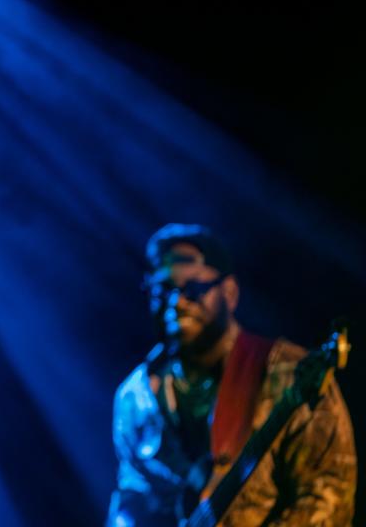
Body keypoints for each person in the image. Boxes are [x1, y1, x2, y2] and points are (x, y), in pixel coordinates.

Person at [107, 223, 356, 526]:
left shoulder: (287, 373)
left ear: (230, 292)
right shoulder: (134, 397)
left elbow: (330, 497)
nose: (177, 302)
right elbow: (133, 501)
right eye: (162, 290)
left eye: (194, 289)